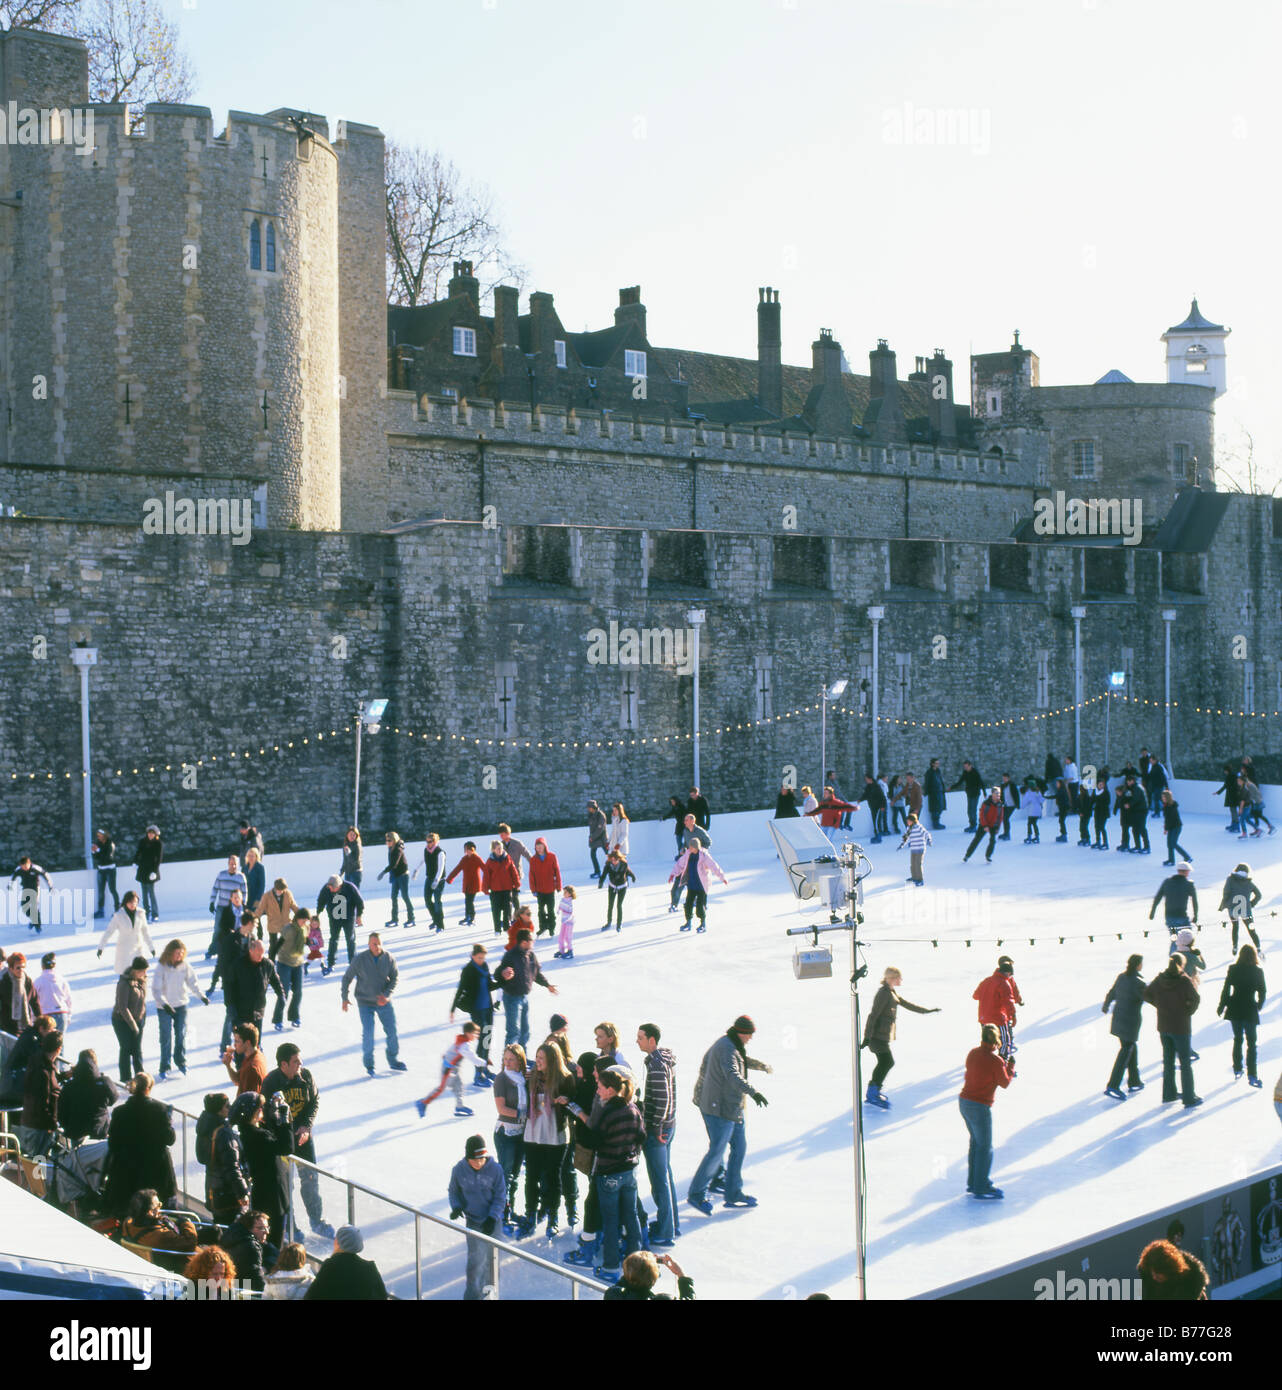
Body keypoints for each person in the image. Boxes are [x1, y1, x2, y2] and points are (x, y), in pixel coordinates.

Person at [560, 1064, 646, 1282]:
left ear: (610, 1089)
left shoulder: (609, 1112)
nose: (597, 1091)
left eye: (599, 1087)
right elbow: (641, 1136)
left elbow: (595, 1140)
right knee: (631, 1217)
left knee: (610, 1220)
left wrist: (582, 1129)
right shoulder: (633, 1108)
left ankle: (610, 1267)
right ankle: (638, 1266)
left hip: (608, 1173)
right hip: (629, 1171)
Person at [687, 1016, 767, 1215]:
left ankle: (733, 1193)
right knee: (717, 1150)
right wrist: (753, 1091)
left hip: (732, 1107)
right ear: (741, 1032)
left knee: (739, 1147)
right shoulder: (726, 1047)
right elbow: (732, 1074)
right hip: (718, 1108)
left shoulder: (732, 1044)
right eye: (749, 1034)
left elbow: (741, 1061)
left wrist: (760, 1065)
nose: (750, 1038)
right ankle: (696, 1194)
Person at [261, 1043, 333, 1241]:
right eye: (295, 1061)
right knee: (285, 1185)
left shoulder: (306, 1076)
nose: (300, 1064)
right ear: (284, 1064)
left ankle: (316, 1221)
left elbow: (314, 1101)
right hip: (282, 1142)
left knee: (310, 1179)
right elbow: (269, 1116)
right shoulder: (271, 1083)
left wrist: (306, 1126)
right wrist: (286, 1132)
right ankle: (289, 1226)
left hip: (303, 1140)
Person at [518, 1043, 576, 1237]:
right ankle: (530, 1215)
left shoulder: (565, 1079)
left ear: (552, 1060)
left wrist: (566, 1101)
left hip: (554, 1133)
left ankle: (553, 1217)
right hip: (533, 1133)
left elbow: (572, 1104)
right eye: (537, 1057)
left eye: (542, 1058)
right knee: (532, 1177)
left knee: (553, 1177)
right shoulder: (532, 1077)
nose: (538, 1061)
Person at [862, 967, 940, 1109]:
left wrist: (926, 1011)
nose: (901, 980)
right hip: (876, 1037)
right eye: (899, 977)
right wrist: (867, 1037)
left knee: (885, 1062)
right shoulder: (883, 993)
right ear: (891, 978)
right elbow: (873, 1015)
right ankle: (872, 1093)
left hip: (882, 1036)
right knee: (887, 1062)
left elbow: (906, 1004)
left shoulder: (891, 991)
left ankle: (873, 1091)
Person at [102, 1072, 177, 1217]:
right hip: (155, 1172)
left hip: (126, 1172)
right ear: (149, 1088)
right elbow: (170, 1139)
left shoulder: (119, 1112)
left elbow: (113, 1144)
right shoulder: (159, 1110)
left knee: (127, 1213)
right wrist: (169, 1121)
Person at [232, 1089, 294, 1249]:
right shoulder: (258, 1136)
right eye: (260, 1107)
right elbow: (286, 1147)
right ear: (252, 1112)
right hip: (273, 1195)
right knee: (274, 1239)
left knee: (265, 1236)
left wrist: (273, 1116)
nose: (262, 1110)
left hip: (262, 1192)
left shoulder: (245, 1132)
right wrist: (285, 1120)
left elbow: (270, 1136)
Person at [959, 1024, 1014, 1199]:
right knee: (985, 1147)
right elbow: (1004, 1083)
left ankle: (973, 1182)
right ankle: (981, 1185)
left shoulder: (973, 1053)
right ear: (997, 1040)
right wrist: (1010, 1068)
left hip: (964, 1102)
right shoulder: (995, 1061)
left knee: (975, 1143)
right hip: (979, 1106)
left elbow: (977, 1071)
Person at [449, 1134, 506, 1300]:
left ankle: (490, 1293)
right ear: (468, 1158)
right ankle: (472, 1295)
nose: (479, 1162)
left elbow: (500, 1197)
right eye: (475, 1159)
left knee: (492, 1259)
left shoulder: (495, 1170)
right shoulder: (459, 1170)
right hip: (473, 1220)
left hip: (492, 1221)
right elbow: (454, 1190)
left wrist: (493, 1217)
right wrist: (456, 1206)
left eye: (482, 1158)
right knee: (475, 1260)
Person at [637, 1022, 679, 1246]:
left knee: (659, 1180)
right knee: (666, 1177)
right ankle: (672, 1225)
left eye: (641, 1037)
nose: (637, 1041)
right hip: (669, 1126)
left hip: (658, 1131)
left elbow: (663, 1099)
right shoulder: (664, 1059)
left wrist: (656, 1127)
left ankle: (665, 1232)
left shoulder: (655, 1064)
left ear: (652, 1040)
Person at [341, 933, 406, 1077]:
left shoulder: (388, 958)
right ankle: (369, 1065)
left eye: (378, 943)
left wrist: (387, 995)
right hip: (365, 1002)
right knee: (369, 1034)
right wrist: (344, 998)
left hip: (383, 1001)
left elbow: (395, 978)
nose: (376, 946)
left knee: (392, 1031)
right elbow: (347, 978)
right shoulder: (360, 959)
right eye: (373, 944)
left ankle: (393, 1059)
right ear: (369, 944)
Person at [1144, 954, 1202, 1108]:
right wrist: (1187, 1011)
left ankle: (1169, 1094)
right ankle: (1189, 1097)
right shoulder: (1183, 981)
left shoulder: (1159, 979)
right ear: (1182, 964)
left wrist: (1160, 1006)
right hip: (1181, 1027)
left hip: (1164, 1026)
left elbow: (1147, 994)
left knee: (1168, 1061)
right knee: (1185, 1062)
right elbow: (1196, 999)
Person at [152, 939, 209, 1080]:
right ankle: (165, 1066)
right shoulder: (161, 967)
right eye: (177, 953)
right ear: (170, 952)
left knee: (181, 1034)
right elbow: (156, 990)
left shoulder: (185, 966)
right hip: (164, 1007)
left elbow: (193, 983)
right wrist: (165, 1004)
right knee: (165, 1037)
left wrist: (201, 996)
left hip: (181, 1004)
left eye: (182, 953)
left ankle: (181, 1061)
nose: (179, 956)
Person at [496, 928, 558, 1049]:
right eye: (531, 940)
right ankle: (508, 1063)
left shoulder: (530, 955)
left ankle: (522, 1059)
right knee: (513, 1032)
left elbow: (536, 973)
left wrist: (547, 985)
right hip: (512, 998)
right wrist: (503, 973)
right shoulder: (510, 956)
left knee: (525, 1031)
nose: (533, 942)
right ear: (524, 942)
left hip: (524, 997)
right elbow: (498, 973)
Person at [1217, 945, 1267, 1087]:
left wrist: (1222, 1005)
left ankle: (1237, 1067)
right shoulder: (1257, 971)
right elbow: (1263, 991)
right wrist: (1259, 1005)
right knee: (1252, 1043)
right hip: (1250, 1008)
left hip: (1234, 1007)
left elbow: (1226, 989)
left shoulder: (1233, 969)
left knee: (1237, 1039)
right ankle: (1252, 1074)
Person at [416, 1022, 486, 1119]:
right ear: (468, 1033)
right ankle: (423, 1103)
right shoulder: (464, 1045)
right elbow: (474, 1059)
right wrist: (485, 1063)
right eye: (476, 1033)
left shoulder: (462, 1041)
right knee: (441, 1088)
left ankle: (459, 1106)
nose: (477, 1036)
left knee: (459, 1086)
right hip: (448, 1069)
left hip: (454, 1069)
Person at [492, 1043, 528, 1228]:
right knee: (506, 1175)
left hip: (521, 1134)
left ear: (519, 1060)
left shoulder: (524, 1078)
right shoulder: (501, 1079)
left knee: (515, 1175)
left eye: (511, 1059)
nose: (507, 1062)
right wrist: (525, 1115)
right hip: (506, 1133)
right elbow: (502, 1109)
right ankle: (502, 1213)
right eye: (505, 1059)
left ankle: (509, 1209)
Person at [1102, 954, 1146, 1100]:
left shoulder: (1122, 977)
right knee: (1126, 1050)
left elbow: (1112, 993)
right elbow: (1152, 997)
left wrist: (1106, 1005)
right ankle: (1113, 1085)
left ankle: (1134, 1080)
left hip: (1119, 1020)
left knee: (1131, 1047)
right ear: (1138, 965)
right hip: (1130, 1022)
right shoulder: (1139, 983)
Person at [450, 943, 496, 1078]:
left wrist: (504, 981)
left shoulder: (485, 967)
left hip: (488, 1008)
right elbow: (460, 990)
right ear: (473, 956)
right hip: (476, 1009)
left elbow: (490, 986)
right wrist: (452, 1009)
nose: (482, 960)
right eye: (479, 958)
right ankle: (478, 1073)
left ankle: (485, 1068)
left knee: (487, 1038)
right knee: (482, 1038)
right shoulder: (468, 970)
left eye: (483, 958)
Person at [305, 1225, 387, 1300]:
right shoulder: (370, 1268)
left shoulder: (331, 1266)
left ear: (337, 1243)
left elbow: (311, 1296)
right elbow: (382, 1296)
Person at [119, 1189, 197, 1266]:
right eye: (159, 1205)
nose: (160, 1206)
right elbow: (190, 1243)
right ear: (150, 1212)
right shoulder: (162, 1235)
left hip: (156, 1255)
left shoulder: (127, 1223)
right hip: (188, 1262)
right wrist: (187, 1223)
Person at [59, 1049, 118, 1145]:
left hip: (76, 1131)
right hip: (99, 1129)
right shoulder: (104, 1082)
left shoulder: (70, 1085)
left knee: (79, 1156)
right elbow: (114, 1098)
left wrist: (68, 1126)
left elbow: (61, 1110)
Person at [669, 841, 729, 934]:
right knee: (688, 905)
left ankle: (702, 924)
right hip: (691, 885)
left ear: (696, 847)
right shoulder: (688, 855)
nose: (689, 848)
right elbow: (679, 864)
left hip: (701, 886)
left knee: (700, 907)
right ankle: (688, 923)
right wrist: (673, 874)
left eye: (691, 847)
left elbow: (714, 866)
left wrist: (722, 877)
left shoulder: (704, 856)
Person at [973, 956, 1022, 1069]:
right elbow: (1008, 1002)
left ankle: (985, 1063)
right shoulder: (1004, 984)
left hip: (984, 1018)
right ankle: (1002, 1064)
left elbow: (975, 996)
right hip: (998, 1019)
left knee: (987, 1041)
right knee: (1004, 1041)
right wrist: (1013, 1016)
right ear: (1008, 973)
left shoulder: (986, 981)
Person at [228, 937, 284, 1037]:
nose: (261, 956)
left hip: (258, 1010)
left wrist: (281, 995)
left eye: (262, 953)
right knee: (242, 1042)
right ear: (250, 950)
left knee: (256, 1042)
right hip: (241, 1011)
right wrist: (230, 1006)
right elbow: (230, 987)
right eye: (258, 953)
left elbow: (275, 980)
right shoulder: (238, 964)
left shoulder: (267, 964)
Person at [19, 1030, 60, 1158]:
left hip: (31, 1122)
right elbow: (43, 1103)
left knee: (34, 1164)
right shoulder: (43, 1072)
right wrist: (52, 1125)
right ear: (58, 1049)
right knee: (37, 1165)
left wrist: (63, 1076)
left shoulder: (38, 1062)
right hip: (39, 1127)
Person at [97, 892, 154, 977]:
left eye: (135, 902)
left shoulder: (141, 913)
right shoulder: (119, 915)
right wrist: (101, 947)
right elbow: (109, 932)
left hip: (138, 949)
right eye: (130, 902)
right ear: (126, 902)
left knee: (139, 974)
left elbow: (145, 931)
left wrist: (151, 947)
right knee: (125, 975)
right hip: (124, 950)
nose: (133, 904)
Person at [317, 874, 364, 974]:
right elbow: (321, 901)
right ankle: (331, 963)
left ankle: (353, 963)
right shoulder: (326, 889)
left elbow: (360, 902)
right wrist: (317, 914)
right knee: (333, 939)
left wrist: (359, 916)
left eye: (332, 888)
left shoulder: (350, 888)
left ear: (339, 886)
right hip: (334, 918)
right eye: (329, 887)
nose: (330, 889)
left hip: (349, 917)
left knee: (350, 939)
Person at [112, 956, 148, 1084]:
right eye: (142, 971)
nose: (144, 974)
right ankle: (125, 1078)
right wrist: (133, 1025)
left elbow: (142, 1001)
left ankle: (141, 1078)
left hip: (138, 1020)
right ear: (135, 970)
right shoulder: (124, 983)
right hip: (122, 1021)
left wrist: (142, 1018)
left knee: (137, 1049)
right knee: (126, 1048)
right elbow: (123, 1007)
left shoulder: (142, 980)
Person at [1137, 1239, 1210, 1301]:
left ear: (1168, 1271)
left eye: (1158, 1275)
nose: (1154, 1277)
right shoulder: (1149, 1281)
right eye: (1152, 1274)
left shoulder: (1191, 1285)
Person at [604, 1250, 694, 1301]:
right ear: (654, 1279)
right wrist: (681, 1274)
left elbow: (625, 1281)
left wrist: (634, 1268)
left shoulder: (612, 1295)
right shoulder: (662, 1299)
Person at [220, 1207, 271, 1294]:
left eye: (267, 1227)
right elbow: (257, 1279)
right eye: (261, 1228)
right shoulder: (251, 1247)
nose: (267, 1232)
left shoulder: (231, 1237)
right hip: (242, 1292)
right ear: (249, 1229)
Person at [272, 907, 308, 1030]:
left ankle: (294, 1016)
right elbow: (277, 945)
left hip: (298, 964)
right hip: (284, 963)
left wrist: (311, 942)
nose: (305, 922)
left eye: (306, 920)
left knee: (298, 992)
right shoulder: (288, 929)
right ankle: (278, 1020)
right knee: (284, 992)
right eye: (303, 920)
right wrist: (271, 960)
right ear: (297, 918)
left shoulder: (305, 928)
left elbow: (305, 940)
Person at [1220, 863, 1263, 955]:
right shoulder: (1249, 882)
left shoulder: (1230, 879)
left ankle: (1235, 947)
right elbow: (1259, 895)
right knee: (1251, 928)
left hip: (1233, 908)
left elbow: (1226, 892)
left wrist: (1226, 903)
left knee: (1235, 927)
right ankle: (1258, 948)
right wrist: (1251, 904)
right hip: (1245, 909)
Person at [482, 839, 521, 938]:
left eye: (501, 848)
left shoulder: (507, 858)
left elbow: (513, 871)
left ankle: (507, 927)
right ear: (493, 850)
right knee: (496, 911)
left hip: (507, 889)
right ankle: (497, 929)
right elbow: (486, 876)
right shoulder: (490, 861)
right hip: (495, 890)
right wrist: (485, 888)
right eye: (498, 849)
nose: (500, 850)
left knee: (507, 909)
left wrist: (516, 884)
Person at [255, 876, 298, 962]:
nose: (281, 891)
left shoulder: (287, 893)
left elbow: (293, 905)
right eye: (279, 889)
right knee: (273, 945)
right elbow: (260, 909)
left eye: (282, 890)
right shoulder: (267, 896)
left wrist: (302, 914)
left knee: (286, 944)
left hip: (286, 923)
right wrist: (253, 918)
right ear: (275, 888)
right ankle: (271, 962)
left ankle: (286, 961)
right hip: (273, 925)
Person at [1150, 862, 1198, 938]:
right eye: (1188, 871)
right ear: (1185, 871)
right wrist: (1195, 916)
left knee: (1175, 939)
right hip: (1182, 916)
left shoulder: (1167, 882)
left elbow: (1158, 897)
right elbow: (1194, 901)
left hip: (1169, 917)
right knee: (1187, 940)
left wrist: (1152, 912)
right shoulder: (1188, 884)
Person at [378, 831, 415, 928]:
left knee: (405, 896)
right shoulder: (390, 849)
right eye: (386, 840)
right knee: (393, 897)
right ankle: (394, 919)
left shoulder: (398, 849)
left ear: (394, 840)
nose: (387, 842)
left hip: (403, 875)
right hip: (396, 876)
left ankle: (411, 919)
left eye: (389, 840)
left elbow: (394, 864)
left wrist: (384, 872)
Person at [528, 837, 562, 938]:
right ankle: (542, 927)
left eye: (540, 846)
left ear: (544, 846)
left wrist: (558, 885)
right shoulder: (533, 860)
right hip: (540, 890)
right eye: (537, 847)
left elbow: (557, 871)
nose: (539, 848)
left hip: (550, 889)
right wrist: (533, 889)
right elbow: (531, 875)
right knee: (541, 910)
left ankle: (551, 928)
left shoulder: (552, 856)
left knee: (551, 910)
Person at [597, 849, 638, 933]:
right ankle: (609, 923)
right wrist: (601, 882)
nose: (613, 862)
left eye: (615, 860)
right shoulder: (608, 865)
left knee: (619, 905)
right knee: (610, 905)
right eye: (612, 860)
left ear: (619, 859)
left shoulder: (624, 864)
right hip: (612, 886)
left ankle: (619, 924)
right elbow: (604, 874)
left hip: (622, 887)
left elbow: (628, 872)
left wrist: (633, 876)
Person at [9, 854, 52, 933]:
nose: (24, 868)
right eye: (22, 867)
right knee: (24, 907)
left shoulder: (35, 868)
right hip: (25, 889)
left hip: (35, 889)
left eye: (26, 866)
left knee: (34, 907)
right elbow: (13, 876)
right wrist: (10, 885)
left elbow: (45, 874)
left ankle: (38, 926)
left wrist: (50, 886)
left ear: (29, 863)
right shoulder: (19, 869)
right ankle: (33, 921)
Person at [415, 831, 448, 933]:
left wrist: (437, 880)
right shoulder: (426, 850)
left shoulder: (440, 852)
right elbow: (422, 860)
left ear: (436, 841)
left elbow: (441, 868)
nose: (429, 843)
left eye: (431, 841)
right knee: (427, 900)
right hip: (429, 878)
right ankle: (435, 920)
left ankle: (440, 925)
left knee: (437, 901)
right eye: (427, 841)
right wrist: (417, 869)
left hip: (439, 880)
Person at [0, 952, 40, 1037]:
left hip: (25, 1026)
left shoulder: (27, 981)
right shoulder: (4, 983)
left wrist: (40, 1020)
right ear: (11, 968)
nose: (21, 970)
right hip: (8, 1027)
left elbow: (35, 1002)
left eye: (23, 967)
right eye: (18, 968)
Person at [222, 1022, 268, 1095]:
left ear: (247, 1043)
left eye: (237, 1041)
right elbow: (238, 1080)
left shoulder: (252, 1067)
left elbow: (249, 1101)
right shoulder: (254, 1055)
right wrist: (228, 1065)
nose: (234, 1044)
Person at [447, 841, 485, 927]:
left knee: (469, 901)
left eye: (469, 849)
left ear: (473, 849)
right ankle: (467, 916)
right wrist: (450, 878)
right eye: (466, 849)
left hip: (474, 883)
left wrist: (491, 879)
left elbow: (485, 869)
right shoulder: (464, 859)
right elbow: (457, 869)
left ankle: (471, 917)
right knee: (467, 900)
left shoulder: (477, 858)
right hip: (467, 883)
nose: (467, 851)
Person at [34, 951, 72, 1037]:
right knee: (59, 1044)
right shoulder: (62, 980)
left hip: (46, 1016)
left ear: (42, 966)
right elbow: (69, 999)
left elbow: (34, 1001)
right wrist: (69, 1015)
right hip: (62, 1013)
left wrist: (34, 1019)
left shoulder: (38, 982)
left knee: (47, 1045)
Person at [963, 789, 1004, 864]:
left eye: (998, 794)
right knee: (977, 840)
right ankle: (967, 855)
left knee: (992, 841)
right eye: (995, 793)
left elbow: (1000, 817)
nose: (997, 795)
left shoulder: (1000, 804)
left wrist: (998, 827)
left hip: (993, 826)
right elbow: (982, 815)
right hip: (983, 824)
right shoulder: (986, 803)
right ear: (992, 794)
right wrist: (985, 826)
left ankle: (988, 856)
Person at [131, 825, 163, 923]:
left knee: (151, 893)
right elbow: (138, 852)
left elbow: (159, 858)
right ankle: (146, 913)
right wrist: (135, 862)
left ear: (156, 834)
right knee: (144, 894)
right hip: (142, 870)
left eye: (152, 833)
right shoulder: (142, 842)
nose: (150, 835)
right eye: (149, 833)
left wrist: (154, 871)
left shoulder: (158, 843)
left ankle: (155, 914)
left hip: (151, 871)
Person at [896, 813, 932, 886]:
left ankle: (920, 879)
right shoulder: (908, 829)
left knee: (918, 864)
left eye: (909, 821)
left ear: (913, 821)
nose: (907, 822)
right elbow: (906, 837)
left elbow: (926, 834)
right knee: (912, 864)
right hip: (913, 849)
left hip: (920, 849)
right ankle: (914, 877)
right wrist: (902, 845)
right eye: (907, 821)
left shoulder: (919, 827)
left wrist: (929, 840)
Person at [92, 830, 120, 919]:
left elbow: (107, 856)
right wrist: (94, 852)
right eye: (98, 835)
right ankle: (101, 911)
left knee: (112, 889)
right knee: (101, 891)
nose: (98, 837)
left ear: (104, 836)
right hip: (101, 869)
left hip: (110, 869)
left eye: (100, 835)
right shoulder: (98, 843)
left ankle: (117, 909)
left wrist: (98, 850)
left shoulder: (110, 844)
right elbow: (97, 857)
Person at [1159, 790, 1192, 866]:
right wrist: (1166, 828)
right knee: (1169, 844)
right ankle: (1171, 860)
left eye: (1164, 797)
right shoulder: (1166, 805)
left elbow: (1170, 818)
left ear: (1168, 797)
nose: (1162, 798)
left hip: (1176, 827)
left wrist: (1166, 828)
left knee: (1173, 843)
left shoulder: (1171, 806)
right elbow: (1167, 819)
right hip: (1171, 827)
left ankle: (1187, 857)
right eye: (1162, 797)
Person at [950, 760, 984, 832]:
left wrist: (984, 793)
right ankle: (971, 825)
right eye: (964, 767)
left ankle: (974, 826)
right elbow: (960, 781)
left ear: (970, 765)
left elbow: (981, 782)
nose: (965, 768)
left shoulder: (975, 772)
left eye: (966, 767)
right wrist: (952, 787)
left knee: (973, 810)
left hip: (975, 794)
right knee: (969, 810)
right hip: (969, 793)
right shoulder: (965, 773)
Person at [242, 849, 266, 935]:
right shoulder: (244, 868)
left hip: (256, 899)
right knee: (247, 921)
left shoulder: (260, 867)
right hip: (246, 899)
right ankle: (248, 939)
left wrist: (257, 901)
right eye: (249, 856)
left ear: (256, 857)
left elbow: (262, 886)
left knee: (256, 920)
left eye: (253, 856)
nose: (251, 858)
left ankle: (260, 939)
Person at [587, 801, 609, 877]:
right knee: (592, 854)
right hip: (594, 838)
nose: (588, 809)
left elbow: (600, 828)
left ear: (593, 807)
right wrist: (591, 837)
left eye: (589, 807)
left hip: (602, 838)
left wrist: (592, 837)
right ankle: (597, 872)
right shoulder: (590, 815)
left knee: (608, 855)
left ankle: (612, 870)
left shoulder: (601, 815)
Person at [923, 759, 947, 829]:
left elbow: (940, 780)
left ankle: (937, 823)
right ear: (932, 764)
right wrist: (926, 791)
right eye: (936, 763)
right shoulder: (929, 772)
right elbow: (927, 782)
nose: (938, 764)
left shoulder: (938, 771)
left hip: (940, 792)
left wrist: (943, 789)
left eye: (938, 763)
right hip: (933, 793)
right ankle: (935, 824)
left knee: (940, 807)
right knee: (935, 809)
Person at [555, 885, 577, 960]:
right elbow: (560, 906)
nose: (564, 893)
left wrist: (568, 917)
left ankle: (570, 951)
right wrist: (558, 910)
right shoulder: (563, 899)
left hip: (569, 922)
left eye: (566, 892)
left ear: (570, 893)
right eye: (563, 892)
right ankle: (561, 951)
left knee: (568, 937)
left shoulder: (571, 902)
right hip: (563, 921)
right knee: (561, 936)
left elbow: (572, 912)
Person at [1092, 778, 1111, 850]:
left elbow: (1108, 802)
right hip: (1097, 812)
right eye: (1099, 784)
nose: (1100, 786)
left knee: (1102, 827)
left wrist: (1099, 803)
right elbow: (1092, 800)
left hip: (1104, 812)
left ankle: (1105, 843)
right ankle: (1098, 841)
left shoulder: (1106, 792)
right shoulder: (1095, 792)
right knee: (1097, 827)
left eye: (1102, 785)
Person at [1075, 779, 1094, 847]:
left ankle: (1087, 839)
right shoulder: (1079, 797)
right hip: (1082, 814)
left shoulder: (1087, 797)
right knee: (1081, 827)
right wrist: (1079, 812)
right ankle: (1083, 838)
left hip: (1086, 815)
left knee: (1084, 827)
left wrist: (1083, 813)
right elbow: (1078, 806)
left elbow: (1088, 807)